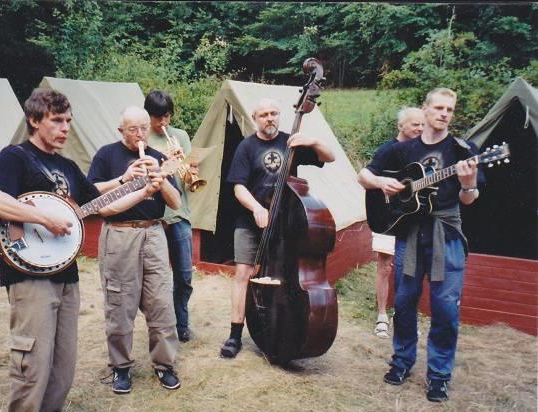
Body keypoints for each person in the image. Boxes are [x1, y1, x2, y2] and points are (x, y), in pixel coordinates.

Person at [0, 89, 159, 412]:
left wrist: (143, 190)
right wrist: (45, 218)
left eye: (68, 122)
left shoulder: (67, 166)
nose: (65, 128)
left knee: (63, 364)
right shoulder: (14, 157)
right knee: (33, 363)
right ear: (34, 120)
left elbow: (103, 205)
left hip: (66, 274)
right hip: (29, 275)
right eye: (57, 120)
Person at [359, 88, 482, 402]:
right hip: (410, 234)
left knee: (444, 308)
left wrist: (468, 186)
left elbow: (469, 200)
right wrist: (380, 183)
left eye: (449, 109)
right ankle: (402, 361)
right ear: (425, 110)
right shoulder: (403, 149)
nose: (444, 114)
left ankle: (439, 376)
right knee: (403, 303)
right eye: (438, 107)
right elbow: (364, 175)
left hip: (446, 235)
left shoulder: (462, 149)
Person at [220, 97, 336, 359]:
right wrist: (257, 209)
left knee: (287, 277)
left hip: (286, 225)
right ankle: (235, 335)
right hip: (250, 221)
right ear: (255, 118)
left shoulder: (291, 142)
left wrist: (313, 142)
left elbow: (331, 157)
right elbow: (238, 186)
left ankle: (281, 328)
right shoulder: (246, 147)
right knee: (243, 274)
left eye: (274, 113)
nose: (269, 118)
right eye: (264, 115)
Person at [87, 106, 183, 394]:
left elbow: (176, 203)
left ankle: (164, 365)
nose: (140, 134)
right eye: (133, 129)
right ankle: (121, 367)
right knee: (120, 304)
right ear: (121, 131)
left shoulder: (158, 157)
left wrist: (161, 181)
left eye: (143, 127)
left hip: (153, 232)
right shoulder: (107, 155)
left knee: (162, 302)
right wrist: (128, 179)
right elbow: (93, 197)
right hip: (119, 234)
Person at [358, 107, 425, 338]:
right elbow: (363, 176)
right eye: (415, 124)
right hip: (385, 217)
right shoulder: (387, 150)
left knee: (411, 270)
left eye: (422, 124)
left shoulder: (424, 153)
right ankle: (382, 316)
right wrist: (380, 181)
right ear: (401, 126)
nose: (420, 128)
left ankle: (405, 315)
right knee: (385, 266)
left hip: (411, 218)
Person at [144, 90, 198, 343]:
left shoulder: (181, 136)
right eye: (158, 118)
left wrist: (190, 169)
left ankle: (182, 323)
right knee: (156, 278)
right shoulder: (142, 139)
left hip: (179, 214)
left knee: (184, 275)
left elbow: (188, 176)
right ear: (148, 116)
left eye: (166, 116)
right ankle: (162, 326)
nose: (163, 123)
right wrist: (167, 165)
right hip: (153, 216)